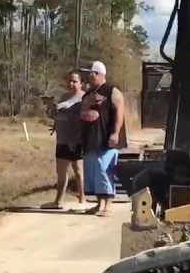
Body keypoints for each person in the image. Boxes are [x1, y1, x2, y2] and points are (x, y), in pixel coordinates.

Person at [78, 60, 127, 217]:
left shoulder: (112, 91)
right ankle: (100, 203)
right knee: (93, 171)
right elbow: (82, 114)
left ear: (98, 74)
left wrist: (115, 133)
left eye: (91, 73)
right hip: (90, 140)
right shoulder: (88, 94)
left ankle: (108, 204)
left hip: (105, 138)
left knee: (104, 170)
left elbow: (120, 111)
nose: (89, 76)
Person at [41, 70, 86, 209]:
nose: (71, 83)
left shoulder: (84, 98)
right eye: (69, 81)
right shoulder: (63, 97)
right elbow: (56, 116)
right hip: (62, 139)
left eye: (75, 81)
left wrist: (77, 137)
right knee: (61, 171)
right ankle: (58, 201)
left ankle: (82, 198)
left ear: (81, 83)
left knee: (78, 170)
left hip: (76, 139)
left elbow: (84, 120)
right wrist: (50, 110)